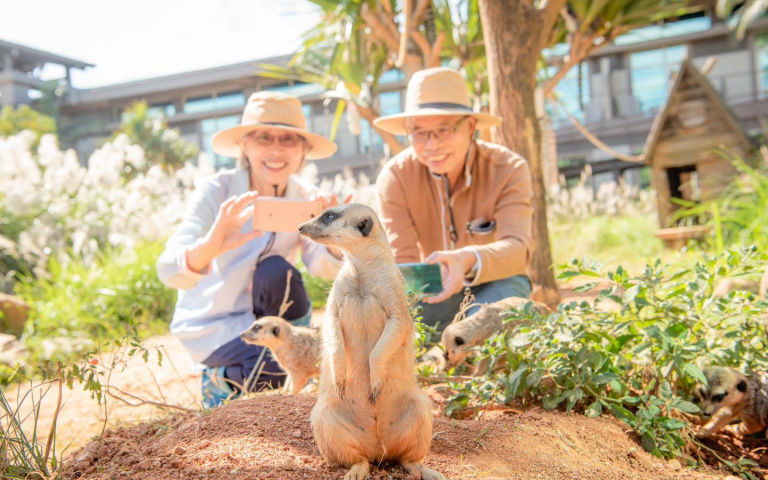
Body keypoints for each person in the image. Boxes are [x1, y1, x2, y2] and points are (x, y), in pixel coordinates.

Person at [157, 92, 344, 408]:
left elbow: (320, 267)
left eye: (289, 140)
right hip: (216, 324)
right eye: (263, 137)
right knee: (273, 373)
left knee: (278, 271)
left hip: (276, 319)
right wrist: (210, 246)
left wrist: (336, 240)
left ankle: (252, 371)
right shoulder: (217, 191)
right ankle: (222, 378)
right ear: (245, 144)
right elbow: (167, 270)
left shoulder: (308, 198)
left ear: (303, 151)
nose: (276, 149)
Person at [374, 67, 533, 331]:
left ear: (470, 127)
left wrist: (468, 258)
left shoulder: (508, 168)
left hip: (497, 281)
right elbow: (402, 261)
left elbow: (518, 251)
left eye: (444, 130)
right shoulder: (396, 176)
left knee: (501, 316)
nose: (431, 145)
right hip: (431, 288)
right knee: (388, 324)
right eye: (419, 133)